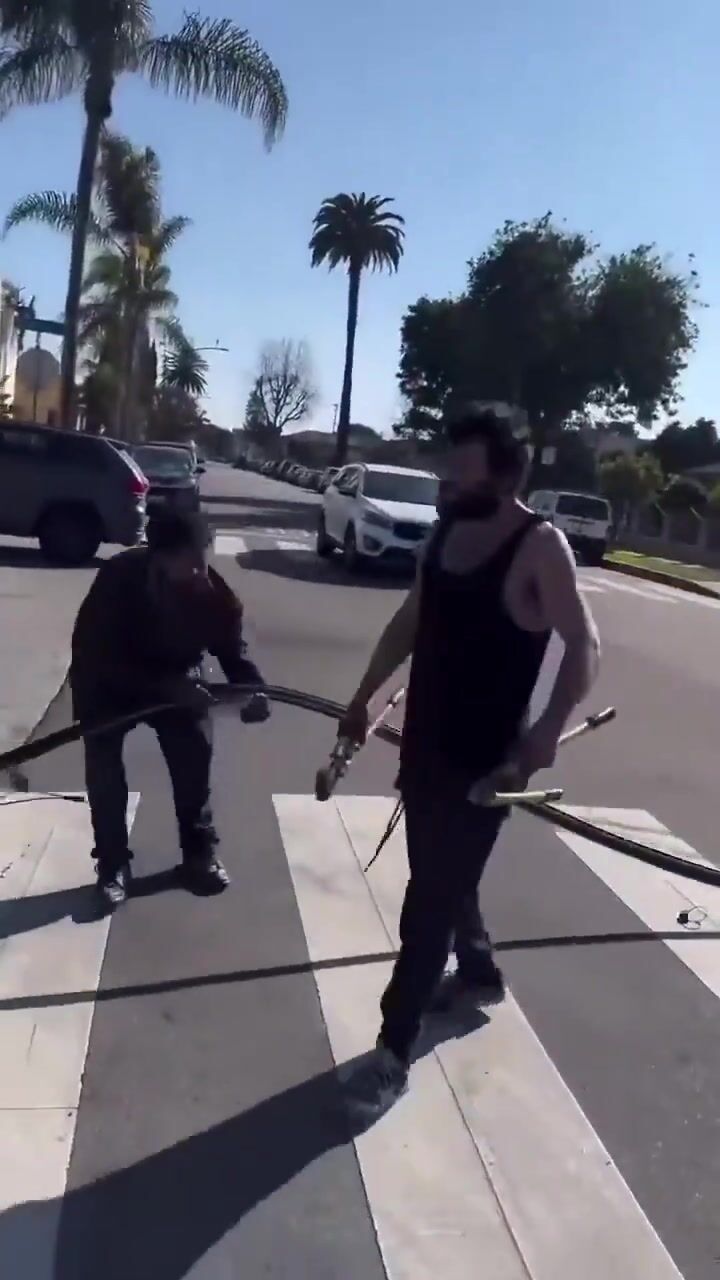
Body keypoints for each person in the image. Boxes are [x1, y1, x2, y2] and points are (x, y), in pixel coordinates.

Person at [338, 406, 600, 1116]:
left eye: (463, 471)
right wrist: (364, 697)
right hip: (425, 747)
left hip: (487, 767)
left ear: (506, 477)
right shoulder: (446, 534)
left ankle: (392, 1052)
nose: (447, 482)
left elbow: (584, 644)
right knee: (444, 876)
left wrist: (546, 731)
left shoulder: (539, 546)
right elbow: (410, 620)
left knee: (427, 902)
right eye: (448, 468)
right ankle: (478, 971)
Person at [70, 509, 269, 909]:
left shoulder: (219, 599)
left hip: (179, 679)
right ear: (158, 558)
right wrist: (165, 686)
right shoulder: (117, 578)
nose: (199, 573)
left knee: (194, 753)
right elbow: (94, 655)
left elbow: (233, 654)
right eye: (188, 563)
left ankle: (199, 855)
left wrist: (252, 690)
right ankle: (112, 864)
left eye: (202, 560)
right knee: (103, 765)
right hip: (107, 683)